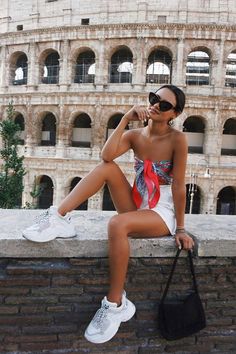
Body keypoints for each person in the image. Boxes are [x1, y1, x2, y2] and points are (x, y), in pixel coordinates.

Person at [22, 84, 194, 344]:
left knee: (117, 224)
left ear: (175, 114)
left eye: (165, 104)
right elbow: (106, 155)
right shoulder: (136, 135)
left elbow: (179, 186)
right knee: (107, 168)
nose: (156, 105)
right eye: (154, 98)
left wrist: (180, 228)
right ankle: (59, 216)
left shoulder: (177, 140)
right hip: (139, 204)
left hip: (162, 210)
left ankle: (115, 304)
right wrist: (125, 118)